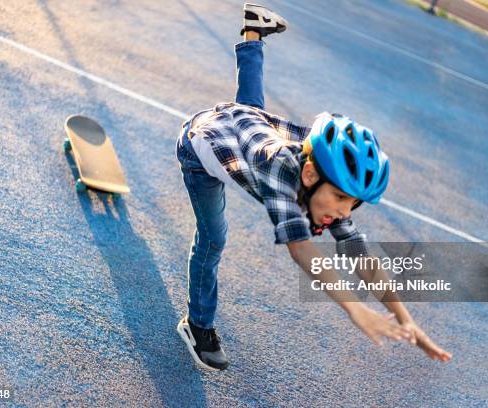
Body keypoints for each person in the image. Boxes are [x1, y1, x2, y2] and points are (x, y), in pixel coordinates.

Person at [175, 3, 452, 371]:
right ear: (309, 177)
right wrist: (356, 310)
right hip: (204, 146)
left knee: (251, 106)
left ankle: (253, 30)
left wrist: (406, 319)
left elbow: (359, 256)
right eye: (340, 198)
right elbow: (302, 251)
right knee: (213, 238)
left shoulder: (326, 185)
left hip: (251, 123)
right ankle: (198, 325)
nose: (343, 211)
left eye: (351, 203)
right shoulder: (278, 171)